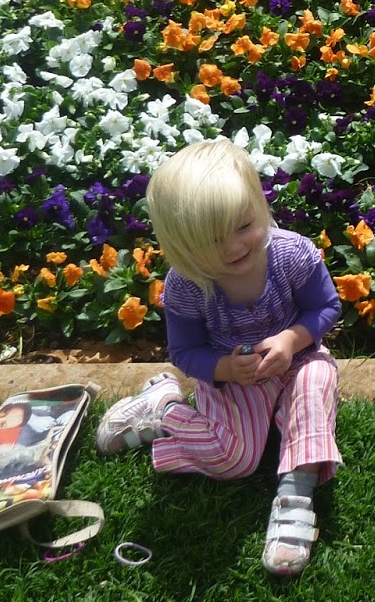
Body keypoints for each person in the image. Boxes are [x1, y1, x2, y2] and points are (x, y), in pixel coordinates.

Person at [94, 138, 342, 577]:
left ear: (260, 205)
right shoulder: (188, 286)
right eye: (211, 240)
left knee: (315, 386)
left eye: (244, 225)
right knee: (235, 460)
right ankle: (166, 411)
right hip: (234, 376)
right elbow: (184, 351)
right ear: (182, 246)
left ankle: (296, 494)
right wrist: (224, 368)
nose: (233, 247)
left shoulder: (291, 254)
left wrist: (291, 339)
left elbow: (326, 307)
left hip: (297, 359)